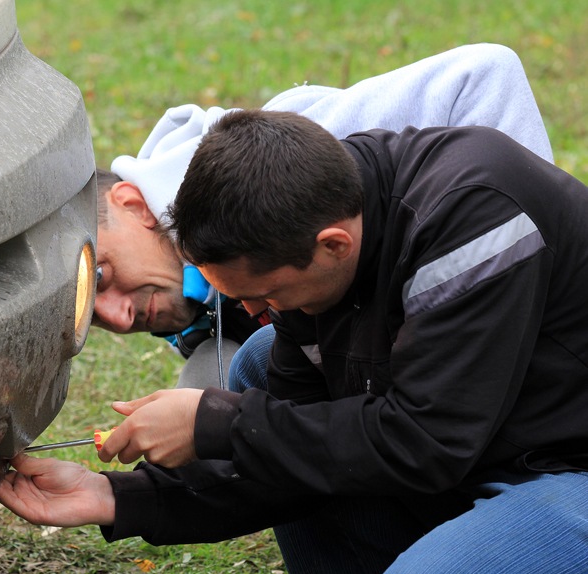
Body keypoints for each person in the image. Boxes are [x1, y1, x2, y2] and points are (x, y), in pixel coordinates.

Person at [0, 109, 588, 574]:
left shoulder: (474, 218)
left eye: (266, 294)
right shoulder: (310, 212)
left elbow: (427, 442)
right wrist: (118, 497)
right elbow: (292, 462)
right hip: (493, 450)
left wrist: (218, 423)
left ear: (334, 246)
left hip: (565, 464)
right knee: (259, 364)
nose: (259, 312)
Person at [92, 43, 555, 391]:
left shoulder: (271, 167)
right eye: (90, 319)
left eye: (101, 275)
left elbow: (486, 73)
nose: (117, 317)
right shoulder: (194, 303)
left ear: (132, 204)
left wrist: (515, 282)